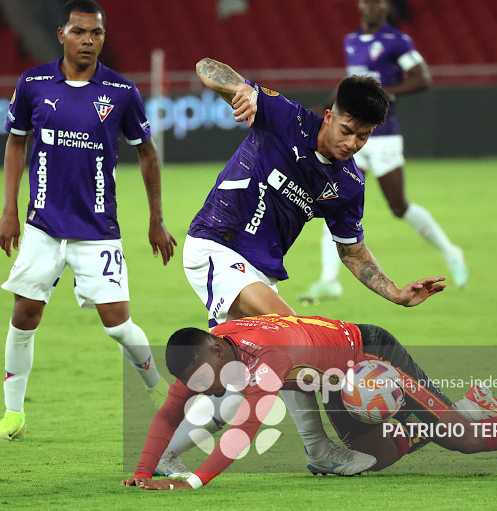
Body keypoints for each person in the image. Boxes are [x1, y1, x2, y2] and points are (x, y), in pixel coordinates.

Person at [157, 57, 447, 476]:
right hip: (216, 244)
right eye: (346, 130)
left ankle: (167, 451)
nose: (351, 143)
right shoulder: (286, 118)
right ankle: (319, 449)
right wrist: (239, 93)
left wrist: (397, 293)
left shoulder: (348, 184)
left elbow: (353, 252)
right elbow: (206, 67)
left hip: (260, 271)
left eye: (363, 137)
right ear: (329, 116)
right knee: (293, 334)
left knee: (244, 381)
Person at [122, 314, 497, 490]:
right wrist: (145, 471)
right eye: (198, 384)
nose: (207, 390)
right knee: (372, 456)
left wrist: (189, 481)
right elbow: (170, 411)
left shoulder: (265, 359)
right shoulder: (205, 356)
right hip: (338, 379)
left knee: (467, 443)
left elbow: (240, 436)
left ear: (216, 347)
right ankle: (469, 408)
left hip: (371, 357)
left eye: (206, 379)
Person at [0, 0, 177, 443]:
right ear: (62, 34)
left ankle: (162, 394)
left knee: (119, 325)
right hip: (43, 227)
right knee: (24, 315)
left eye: (96, 33)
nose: (88, 40)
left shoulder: (121, 92)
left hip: (97, 230)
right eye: (79, 31)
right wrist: (10, 210)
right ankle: (13, 415)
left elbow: (147, 153)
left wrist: (156, 220)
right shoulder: (32, 84)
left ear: (103, 37)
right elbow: (16, 143)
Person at [299, 0, 468, 304]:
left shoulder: (396, 41)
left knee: (398, 206)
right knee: (333, 200)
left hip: (383, 134)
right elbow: (349, 89)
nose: (373, 6)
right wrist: (322, 109)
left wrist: (383, 94)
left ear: (386, 7)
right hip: (350, 135)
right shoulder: (351, 41)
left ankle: (450, 251)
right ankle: (328, 280)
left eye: (379, 2)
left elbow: (422, 78)